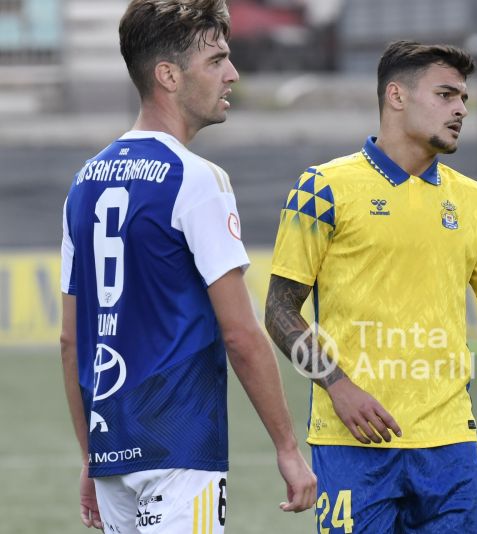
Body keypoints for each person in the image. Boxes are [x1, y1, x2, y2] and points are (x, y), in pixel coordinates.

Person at [264, 40, 477, 533]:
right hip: (352, 444)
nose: (460, 109)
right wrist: (340, 387)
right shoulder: (323, 189)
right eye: (445, 94)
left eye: (464, 99)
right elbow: (279, 312)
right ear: (396, 96)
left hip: (450, 447)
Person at [59, 1, 315, 531]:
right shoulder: (196, 179)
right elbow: (241, 333)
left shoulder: (83, 183)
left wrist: (90, 455)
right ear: (169, 75)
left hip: (112, 452)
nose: (232, 74)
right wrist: (287, 448)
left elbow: (69, 342)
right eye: (216, 60)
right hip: (180, 452)